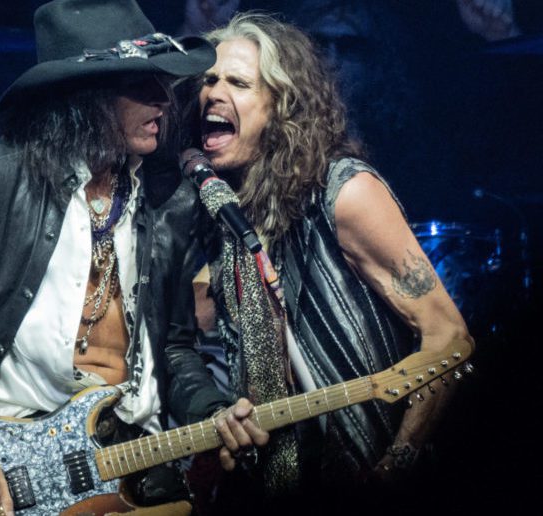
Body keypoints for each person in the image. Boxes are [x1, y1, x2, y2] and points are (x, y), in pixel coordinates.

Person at [0, 2, 263, 515]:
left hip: (132, 465)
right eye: (140, 84)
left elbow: (174, 351)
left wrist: (214, 413)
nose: (163, 99)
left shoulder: (169, 203)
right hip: (6, 453)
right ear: (86, 95)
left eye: (163, 82)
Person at [189, 12, 475, 510]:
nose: (214, 93)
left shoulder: (344, 193)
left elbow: (449, 338)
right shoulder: (221, 213)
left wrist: (396, 468)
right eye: (209, 80)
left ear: (282, 106)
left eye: (238, 82)